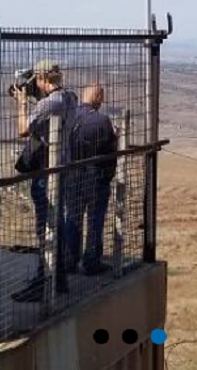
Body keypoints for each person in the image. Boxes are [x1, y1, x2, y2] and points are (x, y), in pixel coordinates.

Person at [11, 59, 79, 302]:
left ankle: (44, 281)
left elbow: (23, 129)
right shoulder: (70, 97)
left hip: (45, 170)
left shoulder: (48, 104)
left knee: (45, 227)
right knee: (55, 223)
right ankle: (56, 278)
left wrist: (21, 105)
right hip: (61, 164)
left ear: (42, 79)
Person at [63, 83, 119, 276]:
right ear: (98, 98)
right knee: (95, 221)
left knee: (73, 218)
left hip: (72, 176)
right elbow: (110, 151)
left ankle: (69, 260)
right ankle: (91, 262)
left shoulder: (69, 118)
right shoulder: (102, 120)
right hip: (96, 177)